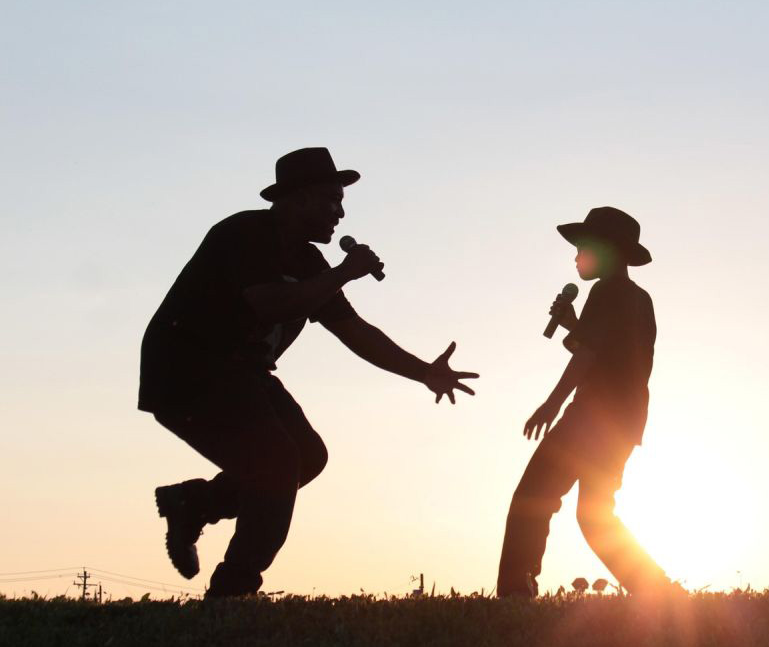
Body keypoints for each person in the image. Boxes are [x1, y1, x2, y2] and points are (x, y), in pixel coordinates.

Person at [139, 147, 478, 597]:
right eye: (329, 200)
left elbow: (355, 332)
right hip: (188, 370)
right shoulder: (244, 234)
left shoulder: (309, 264)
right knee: (277, 462)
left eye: (341, 202)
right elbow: (270, 302)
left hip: (244, 374)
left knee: (307, 457)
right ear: (294, 199)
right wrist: (343, 273)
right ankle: (232, 593)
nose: (339, 213)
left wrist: (425, 373)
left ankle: (195, 503)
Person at [497, 206, 674, 597]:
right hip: (624, 423)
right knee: (594, 515)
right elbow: (607, 352)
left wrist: (552, 404)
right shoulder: (636, 298)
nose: (576, 256)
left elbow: (588, 356)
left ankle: (515, 591)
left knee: (532, 497)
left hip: (592, 419)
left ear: (608, 251)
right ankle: (658, 591)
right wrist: (573, 324)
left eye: (583, 247)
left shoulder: (607, 291)